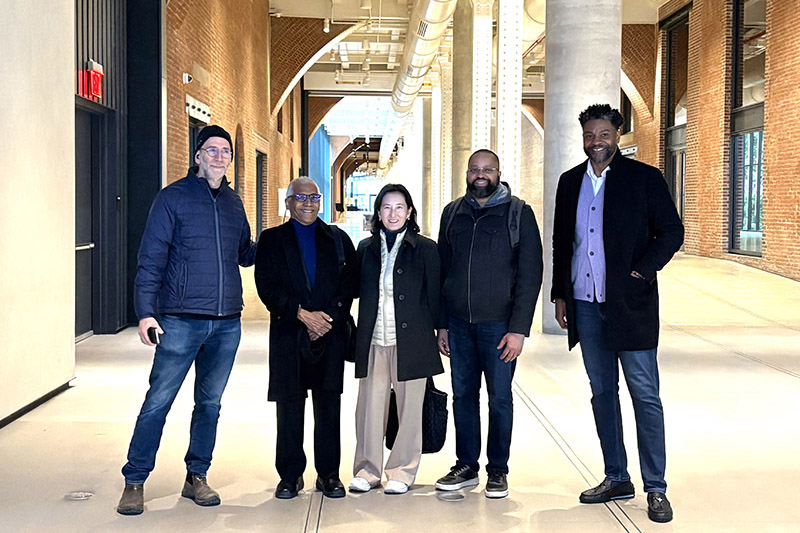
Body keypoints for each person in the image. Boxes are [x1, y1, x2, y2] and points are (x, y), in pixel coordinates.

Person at [551, 104, 684, 523]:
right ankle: (616, 476)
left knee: (644, 395)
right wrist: (560, 294)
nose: (596, 142)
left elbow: (672, 231)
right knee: (602, 393)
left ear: (617, 136)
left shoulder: (644, 178)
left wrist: (641, 272)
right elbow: (560, 243)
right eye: (590, 135)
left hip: (631, 305)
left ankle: (656, 488)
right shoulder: (570, 182)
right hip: (586, 306)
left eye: (604, 134)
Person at [117, 125, 257, 515]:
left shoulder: (233, 203)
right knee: (158, 401)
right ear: (197, 156)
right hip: (179, 320)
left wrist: (282, 244)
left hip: (226, 321)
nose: (218, 157)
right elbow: (151, 259)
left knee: (209, 404)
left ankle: (197, 475)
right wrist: (146, 312)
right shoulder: (172, 198)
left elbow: (244, 252)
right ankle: (135, 479)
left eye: (225, 151)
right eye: (211, 150)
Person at [435, 149, 543, 498]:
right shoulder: (452, 213)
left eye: (487, 170)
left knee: (499, 399)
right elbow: (442, 271)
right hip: (459, 325)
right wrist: (442, 324)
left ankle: (498, 470)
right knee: (463, 396)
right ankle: (466, 465)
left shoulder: (518, 213)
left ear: (498, 172)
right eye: (475, 170)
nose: (481, 175)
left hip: (499, 327)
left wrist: (519, 329)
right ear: (467, 173)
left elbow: (531, 274)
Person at [255, 177, 358, 500]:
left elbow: (350, 283)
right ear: (288, 203)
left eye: (314, 197)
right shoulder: (271, 240)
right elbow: (267, 286)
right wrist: (301, 314)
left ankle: (328, 475)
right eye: (301, 197)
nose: (308, 203)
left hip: (330, 333)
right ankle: (290, 476)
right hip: (289, 333)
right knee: (289, 407)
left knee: (328, 407)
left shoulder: (338, 239)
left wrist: (326, 319)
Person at [349, 184, 443, 495]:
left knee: (410, 409)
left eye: (399, 207)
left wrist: (441, 331)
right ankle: (367, 470)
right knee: (369, 408)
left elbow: (435, 297)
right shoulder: (366, 248)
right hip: (374, 339)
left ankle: (402, 471)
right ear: (378, 213)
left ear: (410, 212)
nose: (393, 213)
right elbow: (351, 291)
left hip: (412, 342)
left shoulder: (426, 249)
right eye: (387, 208)